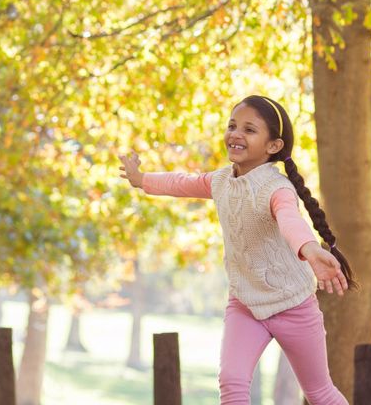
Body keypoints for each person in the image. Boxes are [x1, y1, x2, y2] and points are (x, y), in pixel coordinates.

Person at [118, 94, 355, 405]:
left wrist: (310, 250)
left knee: (318, 392)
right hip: (245, 304)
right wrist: (141, 179)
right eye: (232, 126)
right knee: (231, 384)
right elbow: (181, 182)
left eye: (249, 129)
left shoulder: (277, 188)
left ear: (273, 146)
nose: (235, 134)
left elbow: (290, 220)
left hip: (293, 305)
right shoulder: (220, 182)